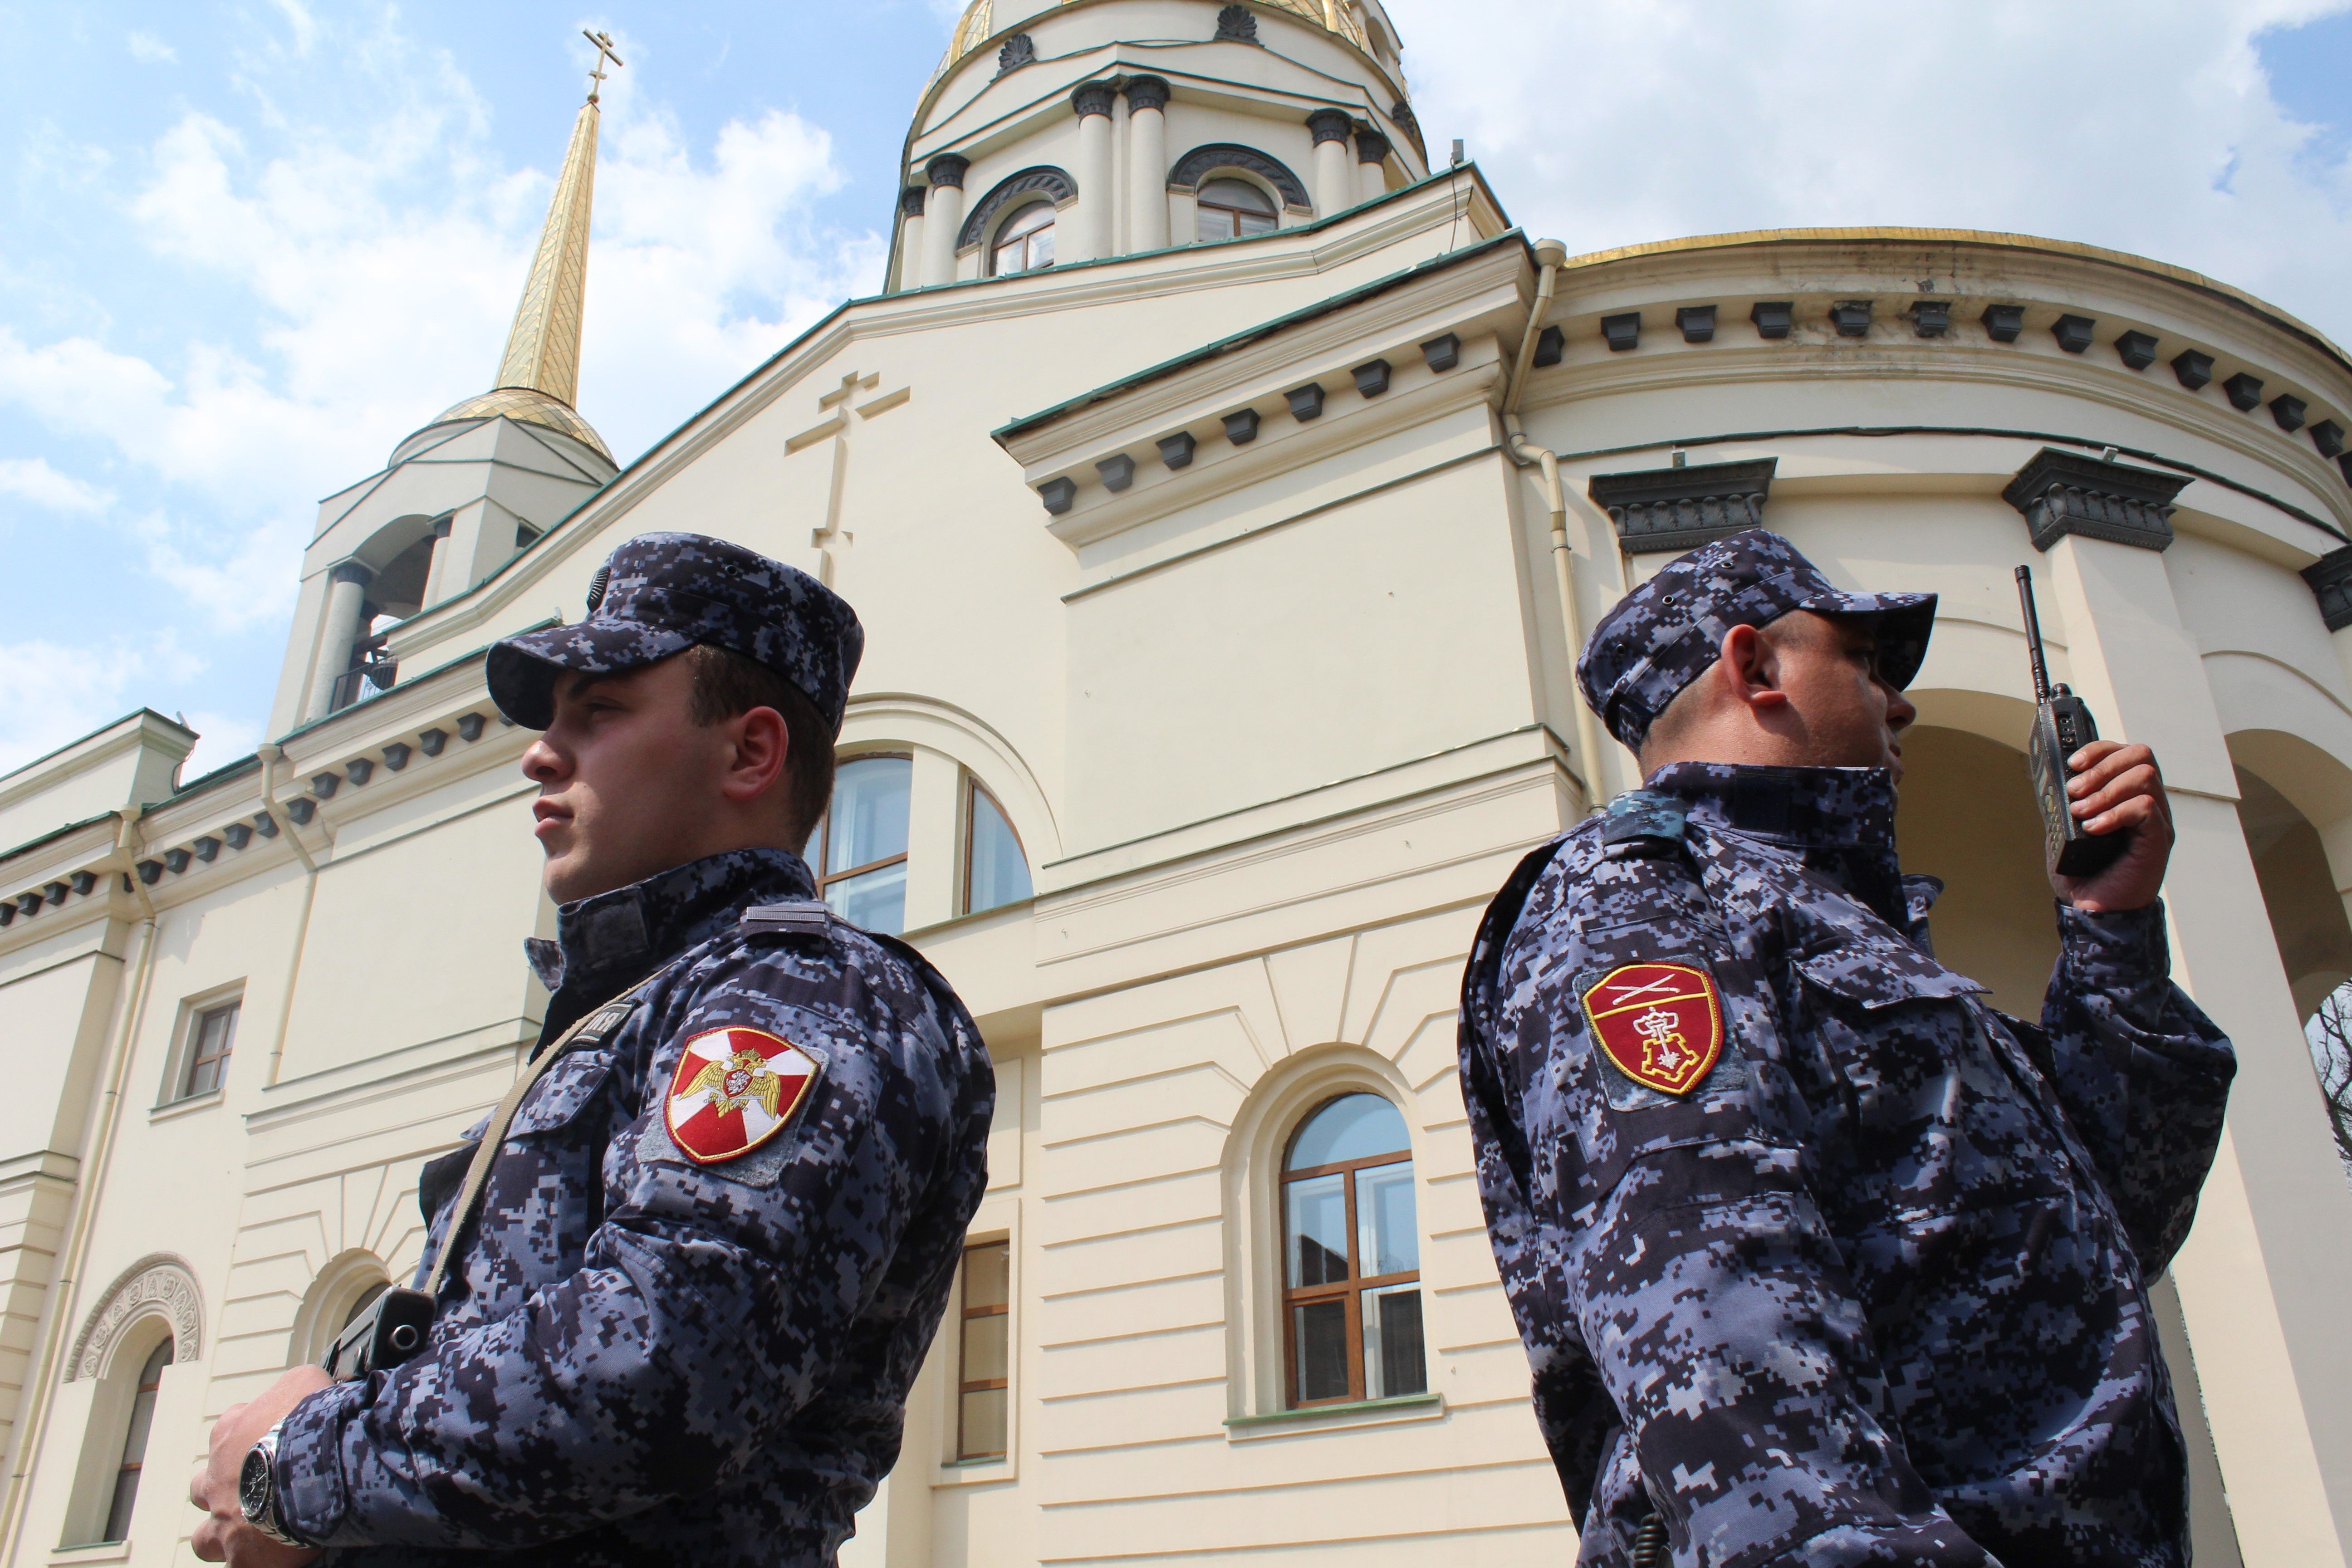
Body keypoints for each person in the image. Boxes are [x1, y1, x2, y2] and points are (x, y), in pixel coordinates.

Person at [190, 532, 996, 1567]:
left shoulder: (802, 993)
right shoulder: (627, 1013)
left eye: (599, 711)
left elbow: (665, 1365)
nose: (538, 749)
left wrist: (296, 1467)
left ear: (750, 752)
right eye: (551, 717)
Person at [1456, 528, 2234, 1567]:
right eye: (1865, 662)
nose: (1900, 700)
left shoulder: (1843, 923)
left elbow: (2119, 1222)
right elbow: (1718, 1334)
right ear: (1756, 668)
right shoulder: (1640, 901)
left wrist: (2111, 933)